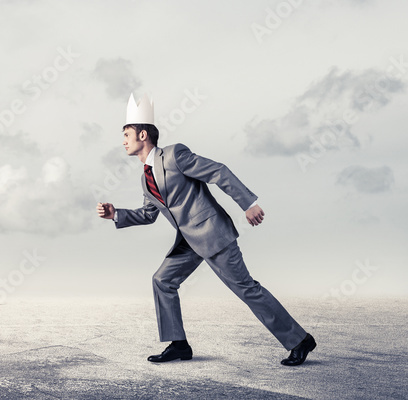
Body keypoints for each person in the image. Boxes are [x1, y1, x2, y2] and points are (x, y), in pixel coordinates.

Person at [96, 93, 316, 366]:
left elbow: (218, 172)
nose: (123, 140)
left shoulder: (175, 155)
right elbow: (149, 214)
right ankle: (178, 345)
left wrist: (248, 203)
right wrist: (115, 214)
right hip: (188, 241)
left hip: (213, 234)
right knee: (162, 281)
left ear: (143, 135)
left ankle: (299, 340)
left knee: (246, 288)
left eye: (126, 133)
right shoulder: (145, 179)